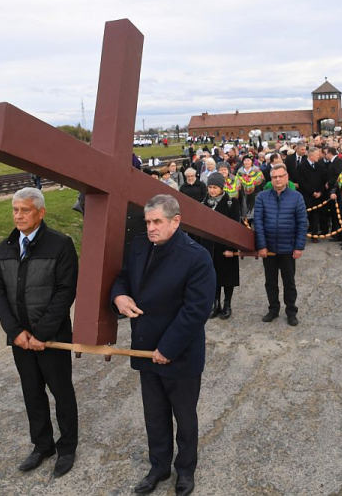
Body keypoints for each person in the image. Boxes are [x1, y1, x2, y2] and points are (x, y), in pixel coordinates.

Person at [111, 194, 215, 496]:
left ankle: (185, 471)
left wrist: (167, 349)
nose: (151, 228)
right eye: (148, 222)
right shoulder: (140, 246)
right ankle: (158, 467)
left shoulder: (196, 256)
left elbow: (196, 310)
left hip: (179, 355)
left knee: (184, 417)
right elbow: (123, 278)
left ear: (176, 221)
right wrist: (119, 296)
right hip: (145, 348)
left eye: (157, 222)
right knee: (154, 416)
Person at [0, 188, 79, 477]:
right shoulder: (6, 245)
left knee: (61, 391)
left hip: (51, 338)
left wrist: (42, 333)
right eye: (15, 210)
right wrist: (15, 331)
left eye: (24, 210)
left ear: (40, 212)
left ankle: (66, 447)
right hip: (21, 340)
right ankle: (42, 445)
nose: (18, 216)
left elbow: (66, 291)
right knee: (32, 392)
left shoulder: (60, 245)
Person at [254, 163, 308, 326]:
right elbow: (258, 222)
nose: (277, 179)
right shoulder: (262, 197)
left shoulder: (296, 197)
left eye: (280, 176)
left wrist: (299, 246)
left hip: (288, 248)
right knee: (270, 281)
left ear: (286, 177)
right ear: (271, 179)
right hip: (269, 249)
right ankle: (273, 309)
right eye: (274, 177)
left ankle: (291, 311)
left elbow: (302, 223)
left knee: (289, 282)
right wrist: (261, 246)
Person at [201, 173, 241, 319]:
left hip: (225, 247)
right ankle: (215, 303)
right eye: (210, 187)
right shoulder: (204, 202)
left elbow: (236, 227)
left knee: (228, 276)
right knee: (213, 276)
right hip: (209, 246)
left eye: (215, 187)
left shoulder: (231, 202)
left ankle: (227, 304)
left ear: (221, 187)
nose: (212, 191)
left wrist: (232, 248)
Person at [296, 147, 328, 243]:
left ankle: (314, 235)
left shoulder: (321, 166)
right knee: (304, 216)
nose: (319, 156)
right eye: (317, 155)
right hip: (306, 196)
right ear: (311, 156)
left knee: (316, 216)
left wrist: (320, 192)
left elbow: (323, 181)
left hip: (318, 196)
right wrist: (312, 192)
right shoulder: (301, 166)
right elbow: (301, 182)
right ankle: (301, 236)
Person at [236, 156, 264, 224]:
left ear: (252, 162)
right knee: (244, 210)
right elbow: (237, 182)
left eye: (248, 160)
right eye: (245, 160)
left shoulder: (257, 171)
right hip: (243, 195)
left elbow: (261, 180)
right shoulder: (239, 172)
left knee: (254, 213)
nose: (246, 162)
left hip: (255, 195)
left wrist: (251, 184)